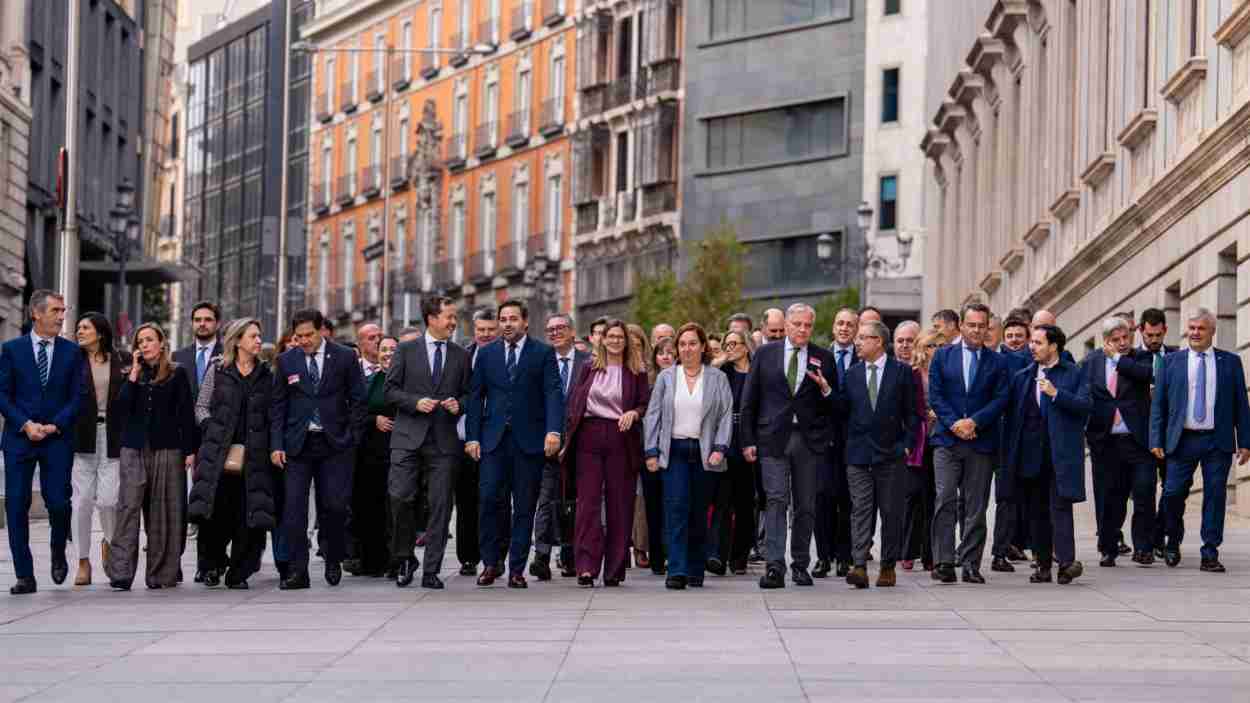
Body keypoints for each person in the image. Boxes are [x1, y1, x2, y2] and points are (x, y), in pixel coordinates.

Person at [465, 300, 564, 588]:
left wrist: (553, 431)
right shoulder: (487, 354)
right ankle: (490, 563)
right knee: (488, 500)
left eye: (513, 319)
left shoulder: (542, 353)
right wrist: (472, 436)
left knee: (524, 506)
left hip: (529, 442)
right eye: (503, 319)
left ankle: (517, 569)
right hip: (493, 442)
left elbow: (553, 393)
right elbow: (475, 397)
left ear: (525, 322)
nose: (507, 324)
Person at [741, 303, 839, 589]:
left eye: (808, 325)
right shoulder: (765, 354)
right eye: (797, 324)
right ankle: (774, 566)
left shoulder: (824, 358)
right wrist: (747, 440)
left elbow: (835, 404)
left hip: (808, 441)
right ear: (786, 325)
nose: (803, 330)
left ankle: (800, 564)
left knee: (806, 505)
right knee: (776, 500)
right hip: (772, 438)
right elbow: (749, 400)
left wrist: (825, 389)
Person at [269, 309, 367, 590]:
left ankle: (333, 557)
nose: (304, 341)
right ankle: (298, 571)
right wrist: (277, 444)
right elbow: (278, 406)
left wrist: (353, 437)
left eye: (309, 335)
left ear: (322, 330)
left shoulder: (345, 357)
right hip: (298, 445)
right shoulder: (286, 361)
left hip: (335, 443)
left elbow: (358, 399)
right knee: (294, 509)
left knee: (334, 506)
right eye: (299, 336)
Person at [1149, 307, 1250, 572]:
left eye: (1201, 328)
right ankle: (1172, 540)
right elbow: (1158, 405)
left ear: (1212, 331)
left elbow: (1241, 404)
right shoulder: (1171, 362)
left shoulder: (1230, 362)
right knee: (1172, 494)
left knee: (1215, 496)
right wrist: (1155, 439)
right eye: (1192, 328)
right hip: (1182, 440)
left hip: (1217, 441)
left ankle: (1210, 552)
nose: (1195, 333)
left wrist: (1245, 442)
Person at [0, 290, 83, 595]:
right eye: (55, 311)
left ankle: (58, 549)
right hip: (19, 438)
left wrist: (54, 425)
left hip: (56, 438)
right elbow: (2, 394)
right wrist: (25, 424)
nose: (62, 316)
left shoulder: (72, 352)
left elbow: (78, 396)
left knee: (59, 503)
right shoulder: (12, 349)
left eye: (63, 310)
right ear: (36, 313)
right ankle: (25, 575)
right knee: (16, 505)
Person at [387, 296, 472, 589]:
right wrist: (415, 402)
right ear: (431, 318)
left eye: (454, 317)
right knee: (400, 497)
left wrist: (458, 404)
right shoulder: (406, 350)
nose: (453, 322)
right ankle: (405, 557)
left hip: (444, 441)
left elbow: (469, 394)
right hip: (407, 437)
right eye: (449, 316)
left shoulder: (461, 355)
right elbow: (390, 390)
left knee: (440, 505)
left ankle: (431, 570)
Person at [189, 318, 278, 589]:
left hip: (255, 457)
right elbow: (201, 406)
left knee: (249, 516)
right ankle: (211, 565)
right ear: (237, 340)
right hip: (218, 454)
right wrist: (211, 428)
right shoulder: (218, 369)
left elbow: (273, 413)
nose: (258, 341)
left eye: (259, 335)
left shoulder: (267, 374)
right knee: (214, 514)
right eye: (253, 336)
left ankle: (239, 573)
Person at [107, 323, 196, 590]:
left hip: (167, 448)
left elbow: (185, 413)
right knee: (128, 507)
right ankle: (121, 573)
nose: (144, 345)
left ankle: (160, 574)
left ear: (161, 343)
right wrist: (133, 374)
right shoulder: (131, 374)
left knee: (163, 511)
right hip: (133, 448)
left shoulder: (177, 372)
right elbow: (121, 409)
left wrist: (190, 450)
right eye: (140, 341)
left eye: (149, 340)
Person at [644, 323, 734, 589]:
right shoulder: (666, 377)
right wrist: (651, 451)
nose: (687, 349)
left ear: (703, 346)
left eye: (692, 343)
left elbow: (726, 415)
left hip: (705, 452)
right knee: (676, 508)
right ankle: (677, 569)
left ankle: (696, 569)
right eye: (682, 344)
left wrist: (720, 448)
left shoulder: (717, 378)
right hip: (674, 451)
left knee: (698, 511)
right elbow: (653, 415)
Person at [562, 320, 650, 587]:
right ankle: (586, 567)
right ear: (603, 340)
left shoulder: (636, 371)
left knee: (619, 504)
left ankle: (614, 569)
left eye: (620, 337)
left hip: (621, 437)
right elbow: (575, 402)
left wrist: (633, 413)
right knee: (587, 504)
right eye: (610, 336)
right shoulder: (589, 367)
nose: (615, 341)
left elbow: (644, 403)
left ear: (626, 341)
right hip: (589, 436)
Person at [927, 302, 1009, 584]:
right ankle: (944, 561)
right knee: (945, 498)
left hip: (980, 442)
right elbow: (936, 395)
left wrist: (974, 422)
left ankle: (971, 563)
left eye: (981, 326)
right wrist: (955, 424)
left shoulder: (997, 362)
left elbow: (1001, 398)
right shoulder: (942, 356)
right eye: (971, 324)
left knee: (976, 506)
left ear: (987, 328)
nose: (976, 330)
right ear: (961, 325)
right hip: (946, 441)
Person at [1004, 324, 1091, 585]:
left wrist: (1056, 394)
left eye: (1038, 342)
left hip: (1060, 452)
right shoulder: (1023, 376)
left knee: (1060, 507)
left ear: (1053, 346)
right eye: (1032, 342)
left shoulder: (1073, 373)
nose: (1032, 347)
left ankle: (1066, 564)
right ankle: (1042, 566)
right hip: (1031, 453)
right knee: (1036, 511)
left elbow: (1085, 405)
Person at [832, 319, 915, 588]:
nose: (856, 342)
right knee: (860, 511)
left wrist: (906, 444)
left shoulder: (902, 372)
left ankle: (888, 566)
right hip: (858, 456)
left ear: (878, 341)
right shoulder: (852, 374)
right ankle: (859, 566)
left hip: (891, 455)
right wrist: (827, 391)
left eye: (862, 338)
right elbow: (842, 411)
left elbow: (913, 414)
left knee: (891, 512)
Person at [1080, 317, 1157, 567]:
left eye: (1126, 337)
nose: (1123, 343)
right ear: (1106, 341)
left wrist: (1116, 358)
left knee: (1144, 492)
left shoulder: (1141, 358)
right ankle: (1108, 547)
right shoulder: (1091, 362)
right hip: (1105, 443)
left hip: (1138, 441)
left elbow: (1146, 375)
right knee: (1109, 499)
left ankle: (1143, 548)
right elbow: (1082, 393)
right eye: (1116, 339)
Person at [532, 313, 590, 580]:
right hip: (547, 442)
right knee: (546, 499)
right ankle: (541, 556)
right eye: (550, 329)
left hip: (580, 443)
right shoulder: (539, 361)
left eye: (560, 328)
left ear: (572, 331)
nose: (555, 333)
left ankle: (570, 555)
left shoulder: (588, 362)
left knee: (575, 501)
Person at [71, 312, 125, 586]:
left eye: (85, 328)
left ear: (100, 333)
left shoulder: (121, 359)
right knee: (81, 502)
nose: (79, 331)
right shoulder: (72, 360)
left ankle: (110, 544)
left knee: (108, 500)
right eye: (78, 327)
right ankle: (83, 561)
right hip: (82, 437)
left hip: (113, 436)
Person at [347, 334, 398, 577]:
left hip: (399, 451)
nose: (387, 354)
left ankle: (396, 559)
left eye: (392, 349)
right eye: (383, 349)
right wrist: (374, 419)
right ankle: (371, 561)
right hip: (369, 453)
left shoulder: (408, 381)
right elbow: (356, 412)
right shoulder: (368, 380)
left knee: (395, 507)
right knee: (369, 507)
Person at [454, 309, 499, 576]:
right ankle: (468, 557)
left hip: (496, 438)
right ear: (474, 330)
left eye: (490, 329)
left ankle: (495, 556)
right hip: (463, 438)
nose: (485, 334)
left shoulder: (506, 356)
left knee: (495, 499)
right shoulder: (462, 355)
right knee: (466, 500)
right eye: (481, 329)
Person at [707, 329, 755, 576]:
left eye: (735, 344)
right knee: (722, 501)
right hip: (725, 439)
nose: (730, 348)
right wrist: (720, 361)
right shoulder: (722, 372)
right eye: (727, 344)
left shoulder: (757, 372)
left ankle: (739, 557)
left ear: (746, 346)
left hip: (750, 441)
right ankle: (717, 554)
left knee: (745, 503)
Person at [816, 307, 858, 578]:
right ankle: (823, 557)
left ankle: (845, 557)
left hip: (853, 439)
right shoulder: (819, 357)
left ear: (856, 329)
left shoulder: (864, 358)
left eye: (849, 324)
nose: (844, 328)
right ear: (833, 327)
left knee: (848, 500)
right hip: (823, 439)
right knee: (821, 498)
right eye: (840, 323)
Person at [901, 329, 946, 571]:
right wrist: (924, 415)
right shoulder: (912, 373)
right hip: (917, 441)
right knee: (912, 497)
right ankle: (907, 551)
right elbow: (904, 407)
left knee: (934, 498)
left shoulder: (947, 372)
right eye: (930, 346)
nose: (934, 351)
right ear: (921, 348)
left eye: (939, 346)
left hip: (941, 439)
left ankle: (930, 555)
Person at [1138, 307, 1176, 556]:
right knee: (1144, 489)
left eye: (1158, 335)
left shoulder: (1176, 357)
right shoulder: (1132, 358)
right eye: (1149, 335)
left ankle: (1159, 533)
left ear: (1165, 331)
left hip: (1170, 435)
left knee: (1172, 488)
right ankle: (1147, 539)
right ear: (1140, 331)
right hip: (1141, 436)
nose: (1153, 340)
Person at [636, 333, 674, 574]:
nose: (666, 357)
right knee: (653, 505)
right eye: (661, 353)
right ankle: (657, 557)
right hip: (650, 450)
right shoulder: (647, 383)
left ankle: (673, 553)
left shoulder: (686, 380)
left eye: (670, 353)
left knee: (674, 503)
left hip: (676, 450)